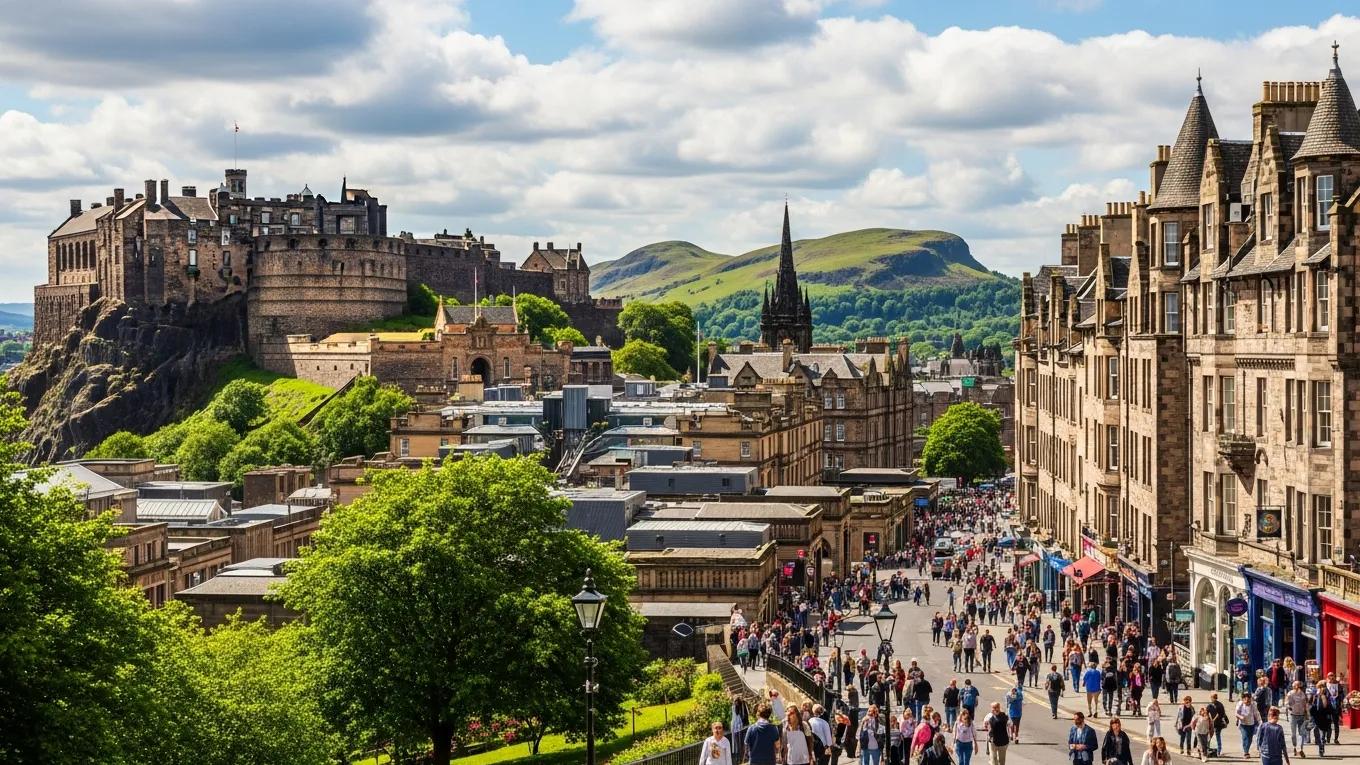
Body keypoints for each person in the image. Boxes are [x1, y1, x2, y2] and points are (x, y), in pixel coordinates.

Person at [1283, 680, 1309, 757]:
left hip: (1301, 715)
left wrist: (1306, 713)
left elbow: (1304, 704)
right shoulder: (1290, 694)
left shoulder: (1302, 694)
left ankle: (1300, 749)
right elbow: (1286, 703)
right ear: (1293, 686)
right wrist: (1289, 707)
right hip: (1293, 715)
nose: (1297, 687)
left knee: (1302, 733)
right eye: (1296, 685)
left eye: (1298, 685)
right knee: (1293, 734)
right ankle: (1295, 747)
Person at [1309, 688, 1335, 758]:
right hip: (1317, 719)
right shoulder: (1315, 697)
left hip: (1323, 719)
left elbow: (1331, 709)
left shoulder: (1327, 699)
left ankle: (1321, 748)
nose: (1321, 692)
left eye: (1322, 691)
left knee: (1322, 735)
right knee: (1317, 734)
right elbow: (1311, 707)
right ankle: (1320, 746)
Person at [1237, 691, 1262, 757]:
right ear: (1243, 699)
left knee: (1250, 739)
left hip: (1251, 723)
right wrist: (1240, 717)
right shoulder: (1240, 704)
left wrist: (1260, 722)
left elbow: (1256, 713)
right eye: (1245, 699)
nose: (1247, 700)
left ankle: (1247, 749)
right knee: (1245, 737)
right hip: (1243, 724)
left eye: (1248, 698)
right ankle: (1246, 752)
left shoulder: (1253, 704)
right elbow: (1236, 713)